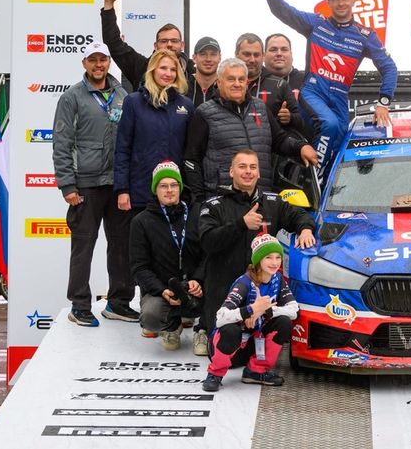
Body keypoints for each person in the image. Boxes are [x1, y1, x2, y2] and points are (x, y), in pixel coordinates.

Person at [259, 0, 397, 185]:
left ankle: (328, 187)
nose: (340, 3)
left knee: (341, 140)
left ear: (353, 1)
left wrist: (383, 102)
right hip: (314, 92)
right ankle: (315, 181)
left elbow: (389, 67)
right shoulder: (316, 23)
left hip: (340, 97)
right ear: (329, 2)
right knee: (330, 125)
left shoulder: (365, 35)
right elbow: (280, 8)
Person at [52, 43, 137, 327]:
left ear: (109, 62)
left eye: (103, 59)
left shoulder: (123, 96)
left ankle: (119, 302)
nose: (98, 65)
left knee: (121, 245)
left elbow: (129, 142)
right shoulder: (71, 97)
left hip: (116, 183)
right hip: (85, 185)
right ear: (84, 63)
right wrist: (67, 184)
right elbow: (62, 143)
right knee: (83, 246)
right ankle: (79, 304)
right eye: (93, 60)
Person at [196, 149, 316, 347]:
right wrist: (241, 224)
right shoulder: (214, 205)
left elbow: (299, 216)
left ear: (259, 173)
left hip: (262, 296)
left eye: (253, 167)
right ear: (231, 171)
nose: (248, 172)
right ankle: (205, 329)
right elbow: (208, 241)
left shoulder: (272, 202)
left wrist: (305, 229)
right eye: (242, 166)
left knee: (280, 330)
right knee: (230, 352)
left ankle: (258, 363)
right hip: (225, 295)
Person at [182, 58, 317, 200]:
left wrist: (301, 146)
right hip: (222, 203)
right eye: (231, 79)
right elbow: (191, 160)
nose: (237, 84)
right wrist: (199, 200)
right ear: (219, 82)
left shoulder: (260, 107)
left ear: (247, 82)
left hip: (260, 197)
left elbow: (279, 140)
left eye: (241, 79)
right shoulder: (204, 113)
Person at [202, 233, 298, 390]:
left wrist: (266, 311)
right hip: (229, 346)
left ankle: (255, 371)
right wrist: (250, 310)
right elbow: (219, 318)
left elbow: (294, 310)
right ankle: (215, 374)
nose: (274, 263)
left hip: (252, 347)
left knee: (284, 322)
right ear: (258, 260)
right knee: (230, 329)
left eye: (277, 257)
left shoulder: (277, 279)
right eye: (268, 257)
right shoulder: (244, 282)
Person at [129, 162, 205, 353]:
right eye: (163, 186)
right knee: (150, 317)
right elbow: (139, 267)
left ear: (180, 187)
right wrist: (161, 289)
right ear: (156, 190)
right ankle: (171, 326)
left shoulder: (198, 213)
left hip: (196, 286)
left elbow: (210, 253)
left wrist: (199, 278)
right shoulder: (141, 221)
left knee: (221, 288)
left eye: (174, 185)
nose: (170, 190)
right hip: (163, 288)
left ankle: (203, 328)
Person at [114, 50, 195, 213]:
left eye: (173, 69)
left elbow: (190, 153)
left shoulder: (186, 105)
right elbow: (123, 149)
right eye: (163, 68)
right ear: (152, 70)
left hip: (175, 194)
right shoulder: (133, 102)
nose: (168, 73)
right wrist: (122, 189)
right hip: (141, 193)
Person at [100, 0, 193, 89]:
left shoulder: (193, 72)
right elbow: (114, 44)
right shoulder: (141, 66)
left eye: (174, 41)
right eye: (164, 41)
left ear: (182, 45)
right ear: (155, 45)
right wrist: (108, 5)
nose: (169, 44)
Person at [236, 33, 304, 136]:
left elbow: (305, 120)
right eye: (273, 50)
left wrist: (290, 117)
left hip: (277, 146)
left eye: (284, 49)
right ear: (265, 55)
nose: (279, 54)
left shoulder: (305, 81)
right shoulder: (227, 83)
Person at [187, 36, 221, 106]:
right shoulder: (183, 88)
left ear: (220, 58)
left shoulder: (226, 89)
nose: (208, 59)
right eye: (203, 54)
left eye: (213, 54)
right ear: (194, 58)